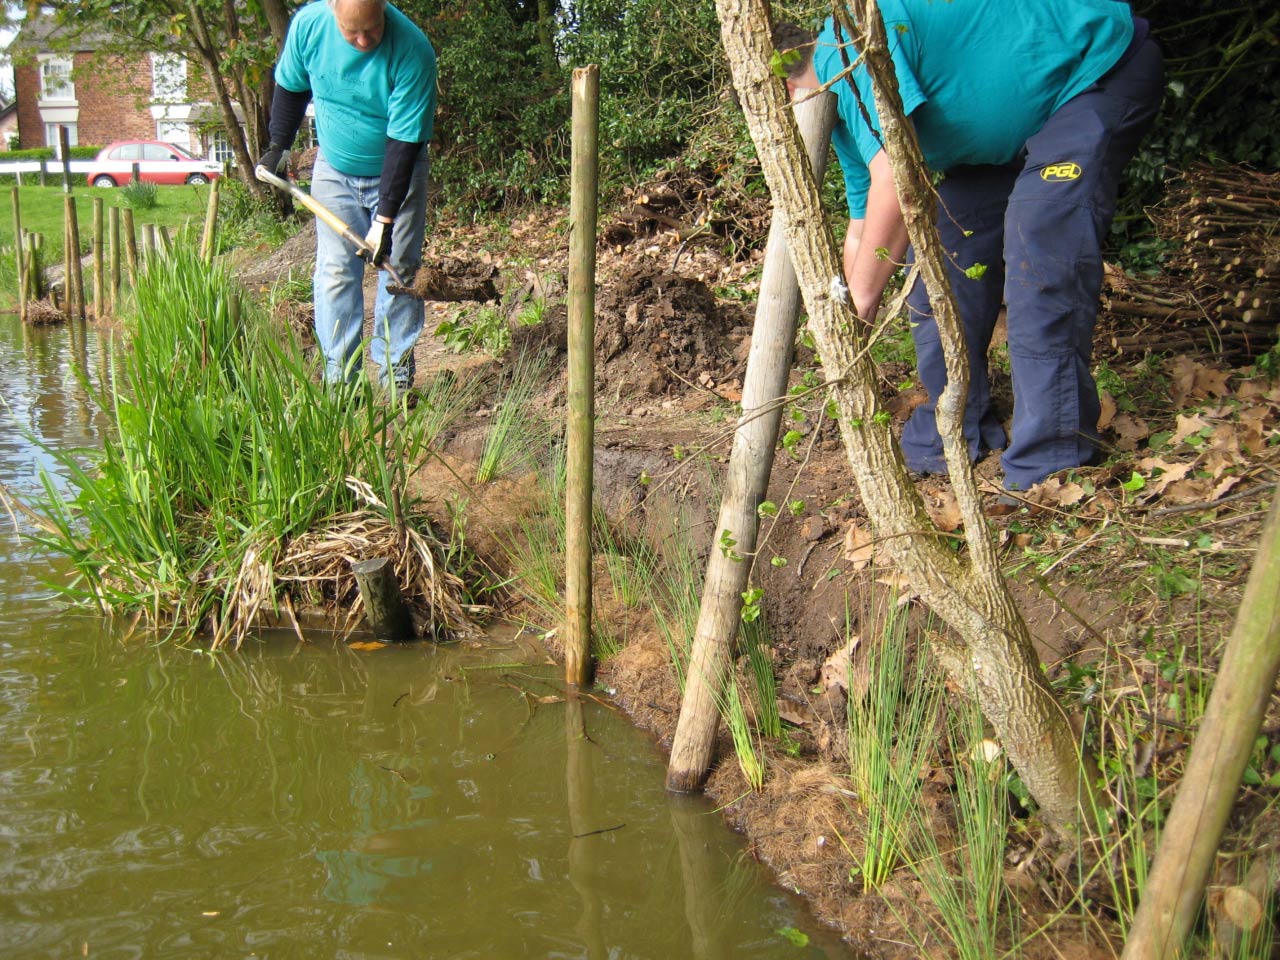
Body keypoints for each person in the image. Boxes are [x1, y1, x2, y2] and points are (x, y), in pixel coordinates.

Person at [773, 3, 1164, 491]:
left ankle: (1051, 462)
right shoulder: (840, 112)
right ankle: (954, 429)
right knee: (940, 257)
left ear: (787, 91)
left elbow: (898, 181)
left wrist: (863, 305)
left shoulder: (847, 49)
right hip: (1012, 130)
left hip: (1091, 76)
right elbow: (865, 223)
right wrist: (845, 314)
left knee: (1038, 243)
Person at [259, 0, 437, 391]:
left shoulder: (412, 50)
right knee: (335, 274)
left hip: (397, 170)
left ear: (383, 13)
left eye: (370, 31)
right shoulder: (309, 26)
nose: (361, 40)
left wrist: (384, 221)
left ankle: (396, 375)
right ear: (333, 12)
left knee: (400, 270)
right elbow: (290, 85)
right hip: (334, 168)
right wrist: (279, 145)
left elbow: (403, 144)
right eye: (350, 32)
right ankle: (342, 380)